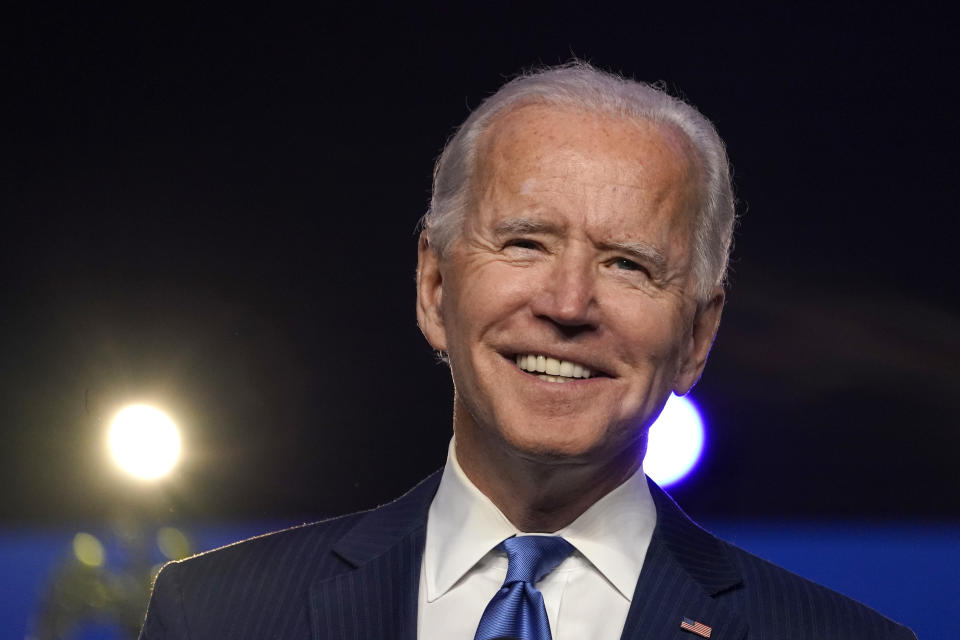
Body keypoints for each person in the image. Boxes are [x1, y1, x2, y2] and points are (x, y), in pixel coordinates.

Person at [139, 63, 916, 640]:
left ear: (698, 337)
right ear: (435, 285)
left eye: (628, 265)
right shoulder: (213, 616)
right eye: (525, 243)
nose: (568, 304)